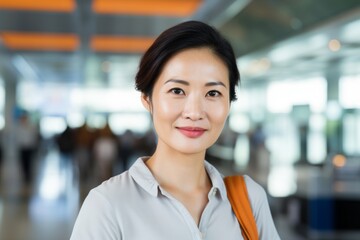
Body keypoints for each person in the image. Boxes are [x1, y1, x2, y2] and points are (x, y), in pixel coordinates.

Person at [70, 21, 280, 240]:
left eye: (213, 93)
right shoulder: (108, 206)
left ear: (229, 103)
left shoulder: (248, 200)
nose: (195, 112)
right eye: (177, 90)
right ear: (147, 99)